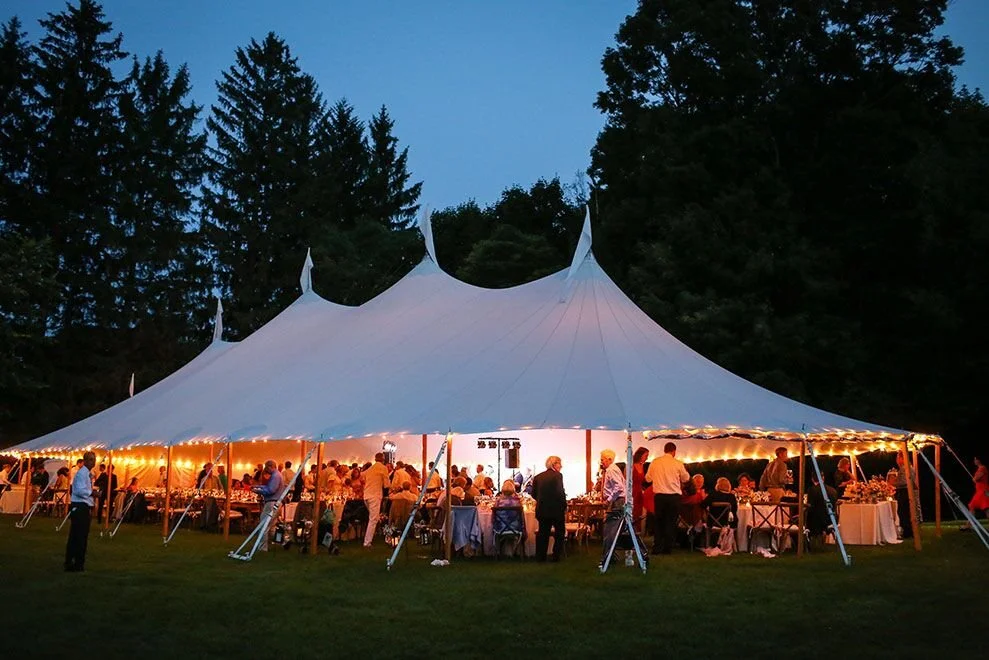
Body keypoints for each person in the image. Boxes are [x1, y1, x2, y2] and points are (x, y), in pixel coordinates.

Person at [644, 441, 690, 555]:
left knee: (659, 522)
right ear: (674, 451)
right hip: (674, 496)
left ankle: (657, 547)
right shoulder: (678, 463)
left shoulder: (655, 462)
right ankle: (667, 548)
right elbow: (686, 478)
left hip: (660, 496)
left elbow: (648, 478)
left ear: (664, 450)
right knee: (671, 522)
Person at [65, 451, 96, 572]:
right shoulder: (81, 474)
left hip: (84, 506)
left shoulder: (87, 474)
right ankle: (76, 563)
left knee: (79, 536)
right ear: (85, 460)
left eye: (94, 459)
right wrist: (92, 493)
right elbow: (78, 490)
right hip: (80, 506)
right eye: (91, 459)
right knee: (79, 536)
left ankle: (74, 562)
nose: (93, 462)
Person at [531, 455, 566, 562]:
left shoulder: (538, 477)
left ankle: (541, 557)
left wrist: (542, 500)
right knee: (559, 532)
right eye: (560, 464)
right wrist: (564, 505)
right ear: (554, 464)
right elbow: (560, 492)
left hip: (542, 509)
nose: (561, 466)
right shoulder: (558, 476)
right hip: (556, 510)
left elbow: (533, 494)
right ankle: (556, 556)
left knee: (543, 533)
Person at [598, 449, 627, 567]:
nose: (601, 462)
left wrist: (608, 500)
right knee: (612, 530)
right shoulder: (614, 469)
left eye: (602, 459)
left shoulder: (611, 470)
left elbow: (619, 487)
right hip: (618, 501)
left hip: (616, 502)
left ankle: (608, 557)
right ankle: (611, 555)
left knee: (609, 530)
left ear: (609, 459)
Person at [251, 460, 283, 551]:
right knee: (271, 526)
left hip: (272, 503)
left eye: (266, 467)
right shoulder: (278, 475)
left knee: (263, 525)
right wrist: (259, 487)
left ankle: (262, 547)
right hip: (277, 502)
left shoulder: (275, 476)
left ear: (270, 466)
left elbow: (271, 490)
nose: (265, 469)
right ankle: (283, 541)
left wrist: (258, 491)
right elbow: (268, 487)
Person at [887, 452, 918, 539]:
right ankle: (908, 531)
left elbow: (905, 482)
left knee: (903, 512)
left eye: (898, 458)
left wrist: (893, 483)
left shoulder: (905, 468)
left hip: (904, 492)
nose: (897, 460)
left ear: (902, 458)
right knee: (904, 512)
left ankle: (907, 532)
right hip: (906, 491)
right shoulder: (908, 467)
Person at [362, 453, 390, 548]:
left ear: (375, 459)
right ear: (383, 459)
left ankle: (376, 534)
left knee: (374, 518)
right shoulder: (383, 468)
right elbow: (386, 484)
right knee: (373, 519)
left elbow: (362, 476)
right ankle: (367, 542)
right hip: (375, 496)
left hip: (366, 495)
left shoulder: (370, 468)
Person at [961, 456, 989, 531]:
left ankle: (968, 525)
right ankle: (968, 525)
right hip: (979, 492)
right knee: (972, 506)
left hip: (983, 492)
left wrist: (974, 478)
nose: (974, 461)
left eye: (975, 459)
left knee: (986, 509)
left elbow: (976, 478)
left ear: (979, 460)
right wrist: (974, 478)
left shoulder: (982, 468)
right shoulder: (980, 468)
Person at [632, 447, 649, 532]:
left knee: (639, 512)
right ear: (640, 455)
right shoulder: (631, 466)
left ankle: (637, 532)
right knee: (633, 512)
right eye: (646, 456)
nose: (647, 458)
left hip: (639, 492)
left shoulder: (642, 466)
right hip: (632, 492)